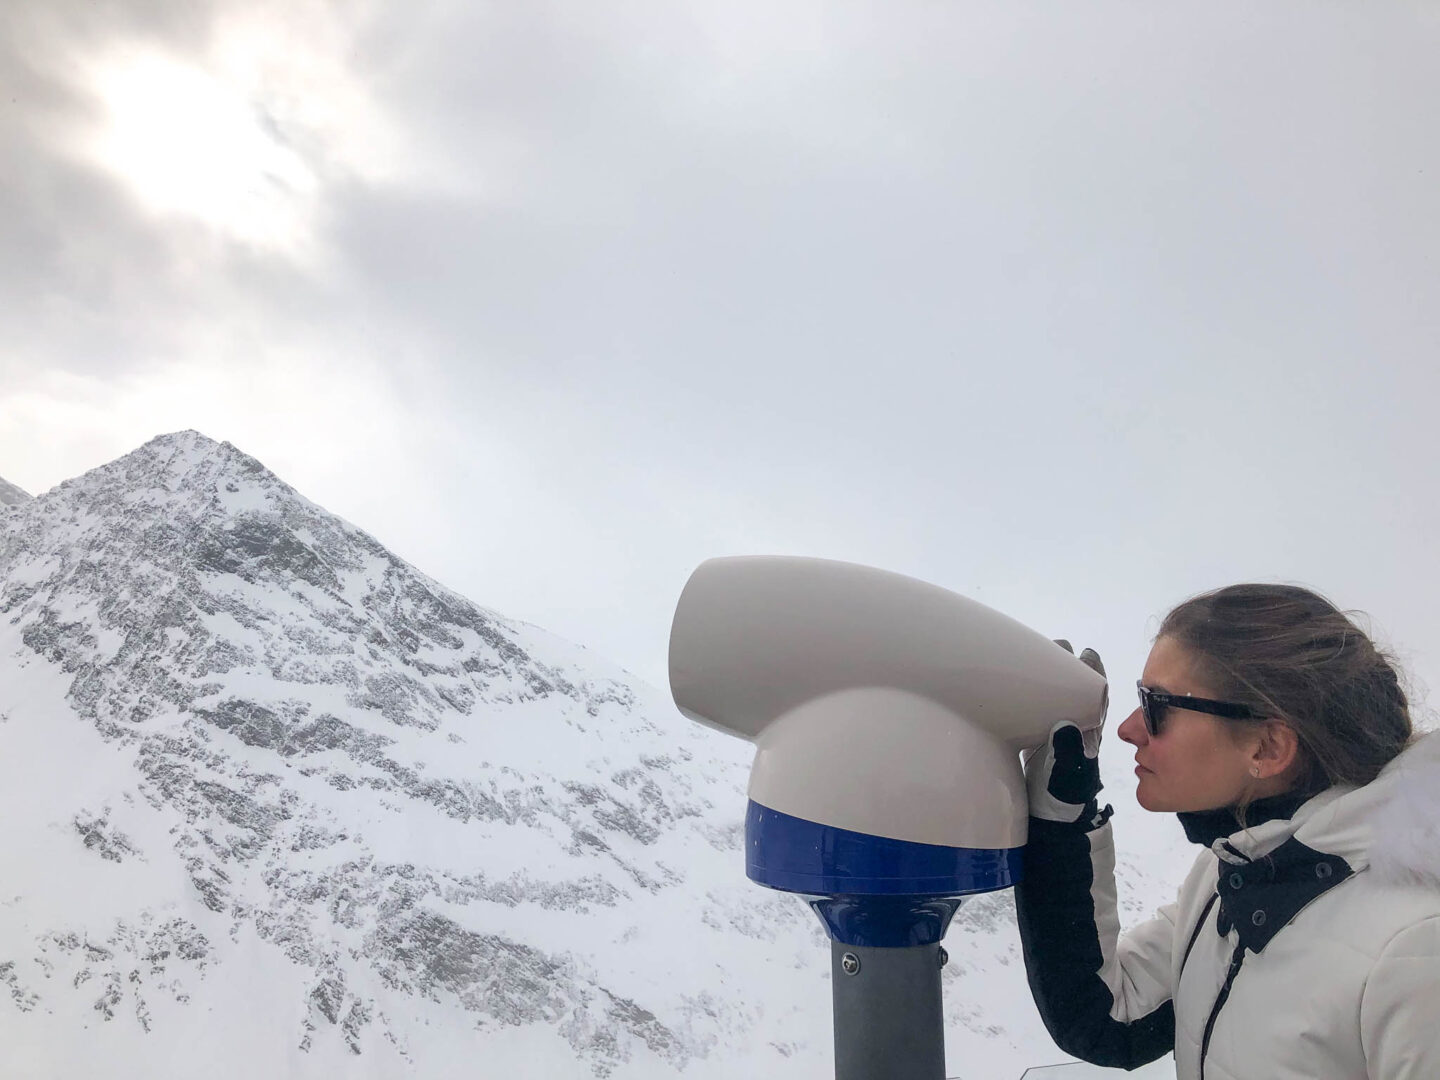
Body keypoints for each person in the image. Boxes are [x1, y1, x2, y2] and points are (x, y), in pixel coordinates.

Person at [1015, 584, 1440, 1080]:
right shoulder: (1235, 870)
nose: (1128, 729)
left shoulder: (1415, 952)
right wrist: (1060, 819)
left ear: (1267, 748)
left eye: (1156, 707)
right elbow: (1112, 1018)